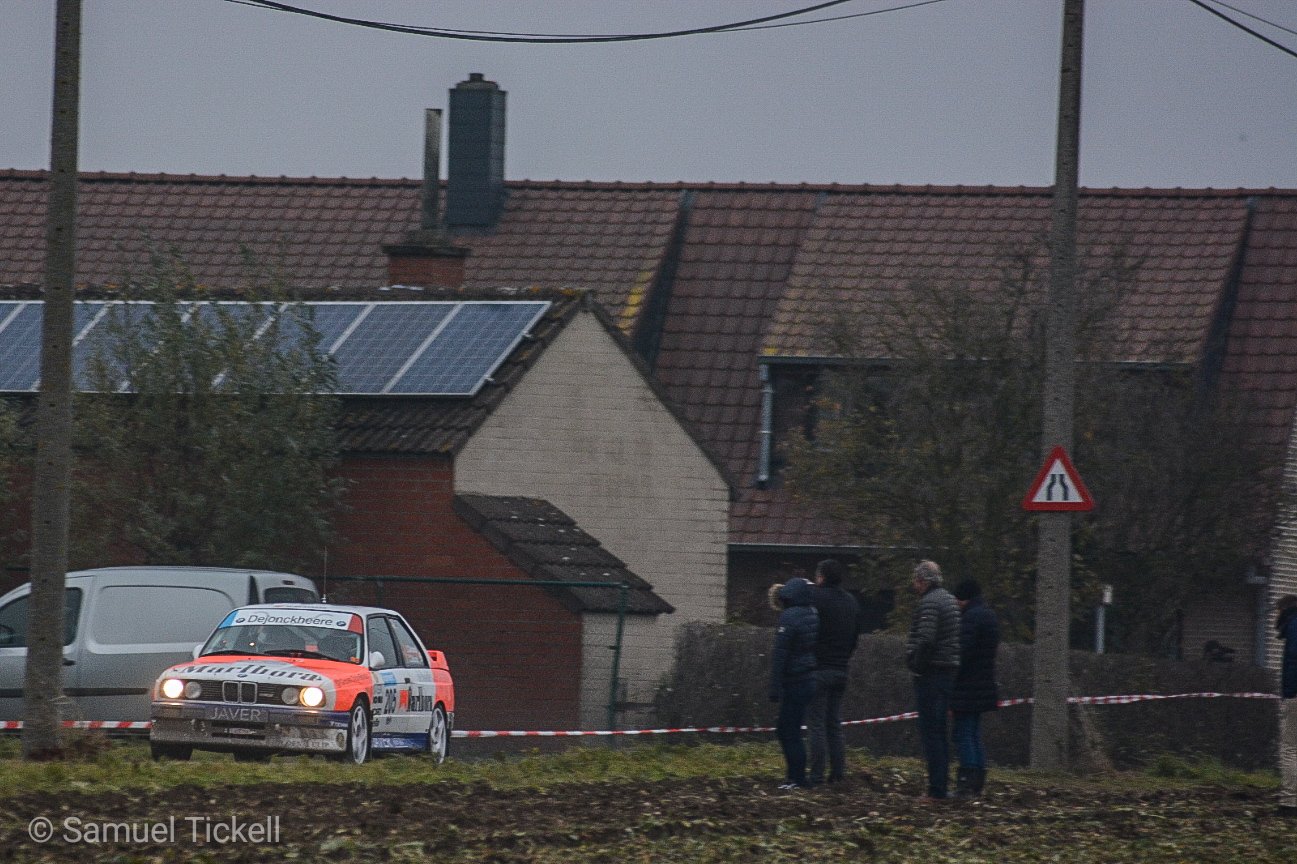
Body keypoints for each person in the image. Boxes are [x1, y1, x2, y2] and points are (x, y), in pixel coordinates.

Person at [905, 560, 961, 801]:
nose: (914, 585)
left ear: (923, 581)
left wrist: (916, 664)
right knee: (940, 731)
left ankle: (936, 789)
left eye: (916, 580)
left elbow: (926, 640)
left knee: (931, 732)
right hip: (947, 671)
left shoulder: (929, 603)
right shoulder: (949, 600)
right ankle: (940, 785)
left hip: (932, 673)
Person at [807, 559, 860, 786]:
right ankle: (838, 774)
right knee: (834, 723)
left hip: (819, 669)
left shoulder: (815, 598)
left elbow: (809, 630)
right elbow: (855, 636)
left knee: (816, 724)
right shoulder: (851, 601)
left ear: (821, 576)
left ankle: (816, 776)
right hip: (841, 669)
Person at [768, 577, 819, 790]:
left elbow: (780, 654)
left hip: (794, 681)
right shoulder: (812, 612)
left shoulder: (789, 617)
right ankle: (797, 777)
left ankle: (796, 778)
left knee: (787, 731)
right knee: (794, 729)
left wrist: (774, 686)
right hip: (809, 677)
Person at [950, 579, 999, 798]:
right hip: (984, 684)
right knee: (974, 732)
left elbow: (962, 654)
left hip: (967, 686)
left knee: (964, 733)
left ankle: (966, 782)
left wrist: (951, 680)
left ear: (964, 598)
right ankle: (978, 779)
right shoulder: (989, 616)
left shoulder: (970, 618)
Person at [1276, 594, 1297, 815]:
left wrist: (1289, 693)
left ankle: (1290, 802)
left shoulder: (1294, 626)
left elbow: (1293, 660)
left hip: (1294, 696)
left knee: (1290, 748)